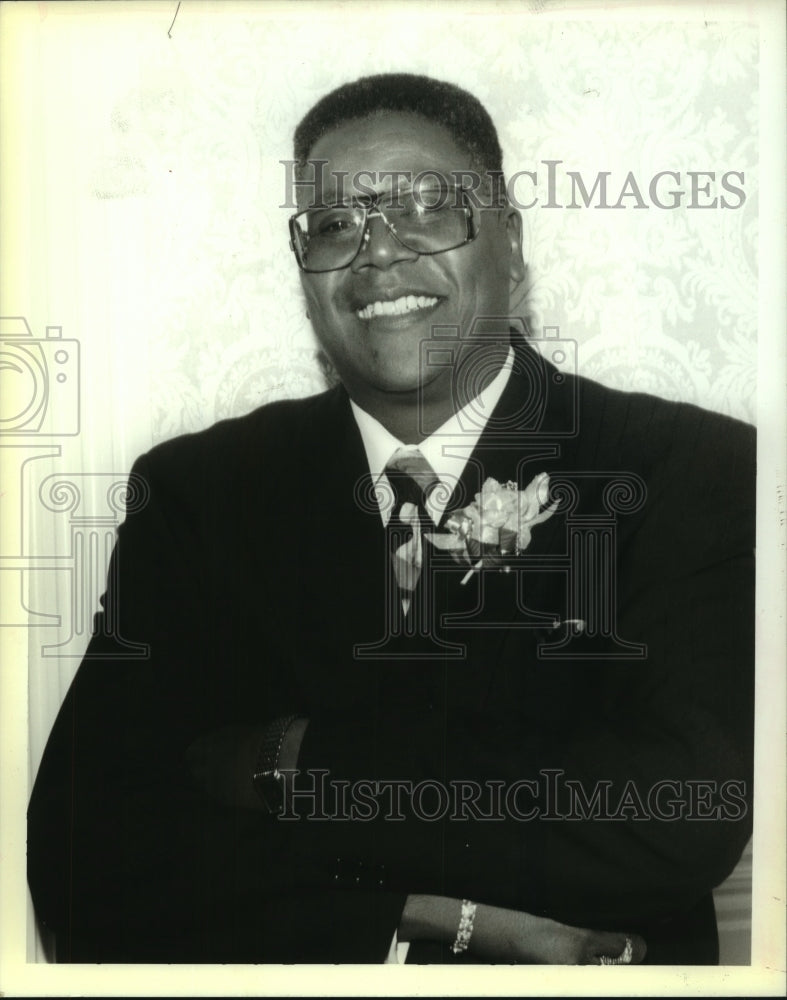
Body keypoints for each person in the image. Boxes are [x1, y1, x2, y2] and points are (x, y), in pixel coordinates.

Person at [27, 73, 755, 965]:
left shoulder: (686, 469)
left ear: (511, 245)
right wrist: (432, 912)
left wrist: (291, 759)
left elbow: (679, 815)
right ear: (305, 274)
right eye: (334, 225)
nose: (376, 253)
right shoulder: (201, 495)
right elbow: (83, 855)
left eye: (424, 207)